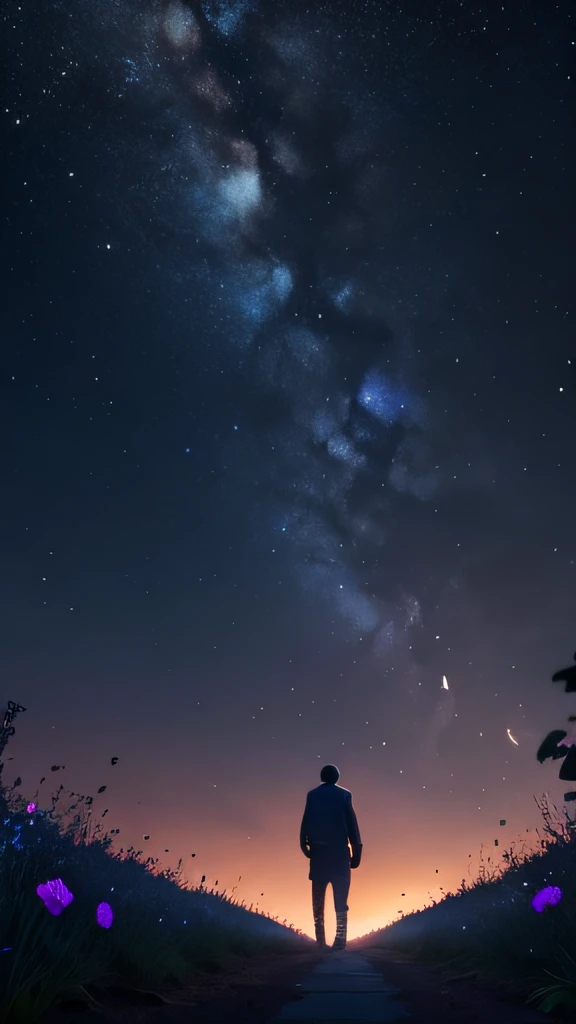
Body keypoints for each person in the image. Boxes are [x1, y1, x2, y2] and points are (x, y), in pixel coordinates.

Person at [299, 764, 362, 950]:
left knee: (318, 900)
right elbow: (352, 825)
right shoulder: (344, 795)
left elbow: (305, 822)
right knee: (341, 901)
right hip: (339, 854)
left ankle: (320, 941)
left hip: (319, 854)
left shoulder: (312, 795)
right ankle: (340, 940)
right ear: (337, 777)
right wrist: (356, 852)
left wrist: (304, 846)